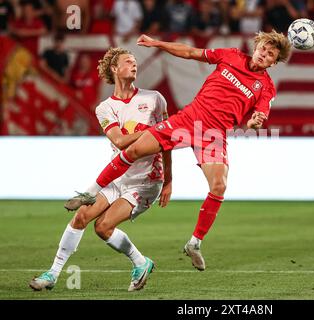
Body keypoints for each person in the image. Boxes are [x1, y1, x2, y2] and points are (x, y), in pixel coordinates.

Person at [65, 30, 291, 271]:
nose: (263, 56)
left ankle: (194, 244)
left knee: (219, 186)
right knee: (132, 150)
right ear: (256, 47)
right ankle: (90, 193)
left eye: (270, 56)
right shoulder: (231, 56)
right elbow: (191, 52)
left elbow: (260, 115)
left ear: (274, 63)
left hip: (212, 135)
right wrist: (157, 43)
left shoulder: (266, 87)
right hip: (188, 120)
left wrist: (256, 121)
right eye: (263, 50)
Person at [29, 47, 172, 292]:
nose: (134, 65)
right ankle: (53, 273)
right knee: (82, 216)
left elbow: (167, 141)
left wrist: (169, 180)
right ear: (115, 69)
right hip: (118, 178)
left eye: (135, 61)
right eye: (128, 62)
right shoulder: (105, 108)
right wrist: (154, 132)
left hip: (147, 182)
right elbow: (119, 140)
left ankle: (139, 261)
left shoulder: (155, 98)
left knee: (102, 227)